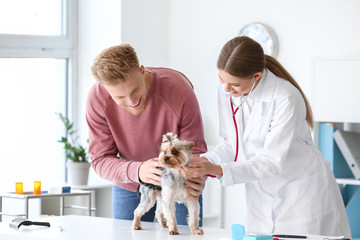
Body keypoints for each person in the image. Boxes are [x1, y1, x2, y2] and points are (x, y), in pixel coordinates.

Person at [180, 36, 351, 238]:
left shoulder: (286, 97)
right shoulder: (227, 91)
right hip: (260, 199)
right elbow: (232, 143)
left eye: (233, 84)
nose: (226, 89)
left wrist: (215, 169)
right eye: (221, 80)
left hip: (300, 196)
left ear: (257, 76)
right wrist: (205, 162)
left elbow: (271, 161)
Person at [86, 43, 207, 225]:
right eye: (119, 97)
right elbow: (100, 159)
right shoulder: (97, 99)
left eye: (135, 90)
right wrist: (138, 170)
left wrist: (198, 176)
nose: (132, 101)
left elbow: (195, 150)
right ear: (105, 88)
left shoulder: (180, 91)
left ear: (142, 71)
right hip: (130, 182)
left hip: (181, 181)